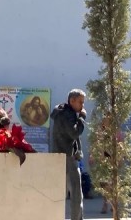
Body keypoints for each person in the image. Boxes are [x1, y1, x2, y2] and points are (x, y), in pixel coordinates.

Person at [49, 89, 87, 220]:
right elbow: (74, 133)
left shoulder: (61, 112)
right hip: (68, 156)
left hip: (59, 154)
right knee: (76, 192)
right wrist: (82, 118)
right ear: (72, 101)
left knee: (60, 191)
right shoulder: (67, 114)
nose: (82, 105)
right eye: (80, 102)